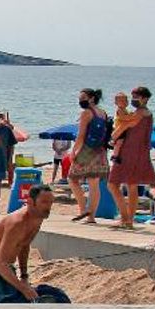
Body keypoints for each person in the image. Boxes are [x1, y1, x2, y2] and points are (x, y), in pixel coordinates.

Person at [0, 187, 71, 303]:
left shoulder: (38, 217)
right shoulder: (17, 223)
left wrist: (24, 277)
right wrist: (23, 288)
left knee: (18, 302)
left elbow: (24, 245)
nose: (48, 207)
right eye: (44, 202)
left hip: (8, 267)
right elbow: (0, 263)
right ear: (30, 202)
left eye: (51, 202)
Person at [108, 86, 155, 229]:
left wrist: (113, 135)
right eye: (133, 96)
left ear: (145, 98)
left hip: (131, 152)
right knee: (130, 185)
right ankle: (127, 219)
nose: (134, 99)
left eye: (136, 97)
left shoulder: (141, 113)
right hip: (135, 151)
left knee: (115, 183)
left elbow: (125, 125)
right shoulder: (141, 113)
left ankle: (126, 218)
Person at [68, 88, 111, 224]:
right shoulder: (103, 113)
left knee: (72, 179)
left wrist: (74, 151)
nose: (81, 100)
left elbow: (81, 136)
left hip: (87, 150)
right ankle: (91, 216)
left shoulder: (87, 113)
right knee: (94, 184)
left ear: (91, 98)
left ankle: (83, 209)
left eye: (83, 98)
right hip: (101, 151)